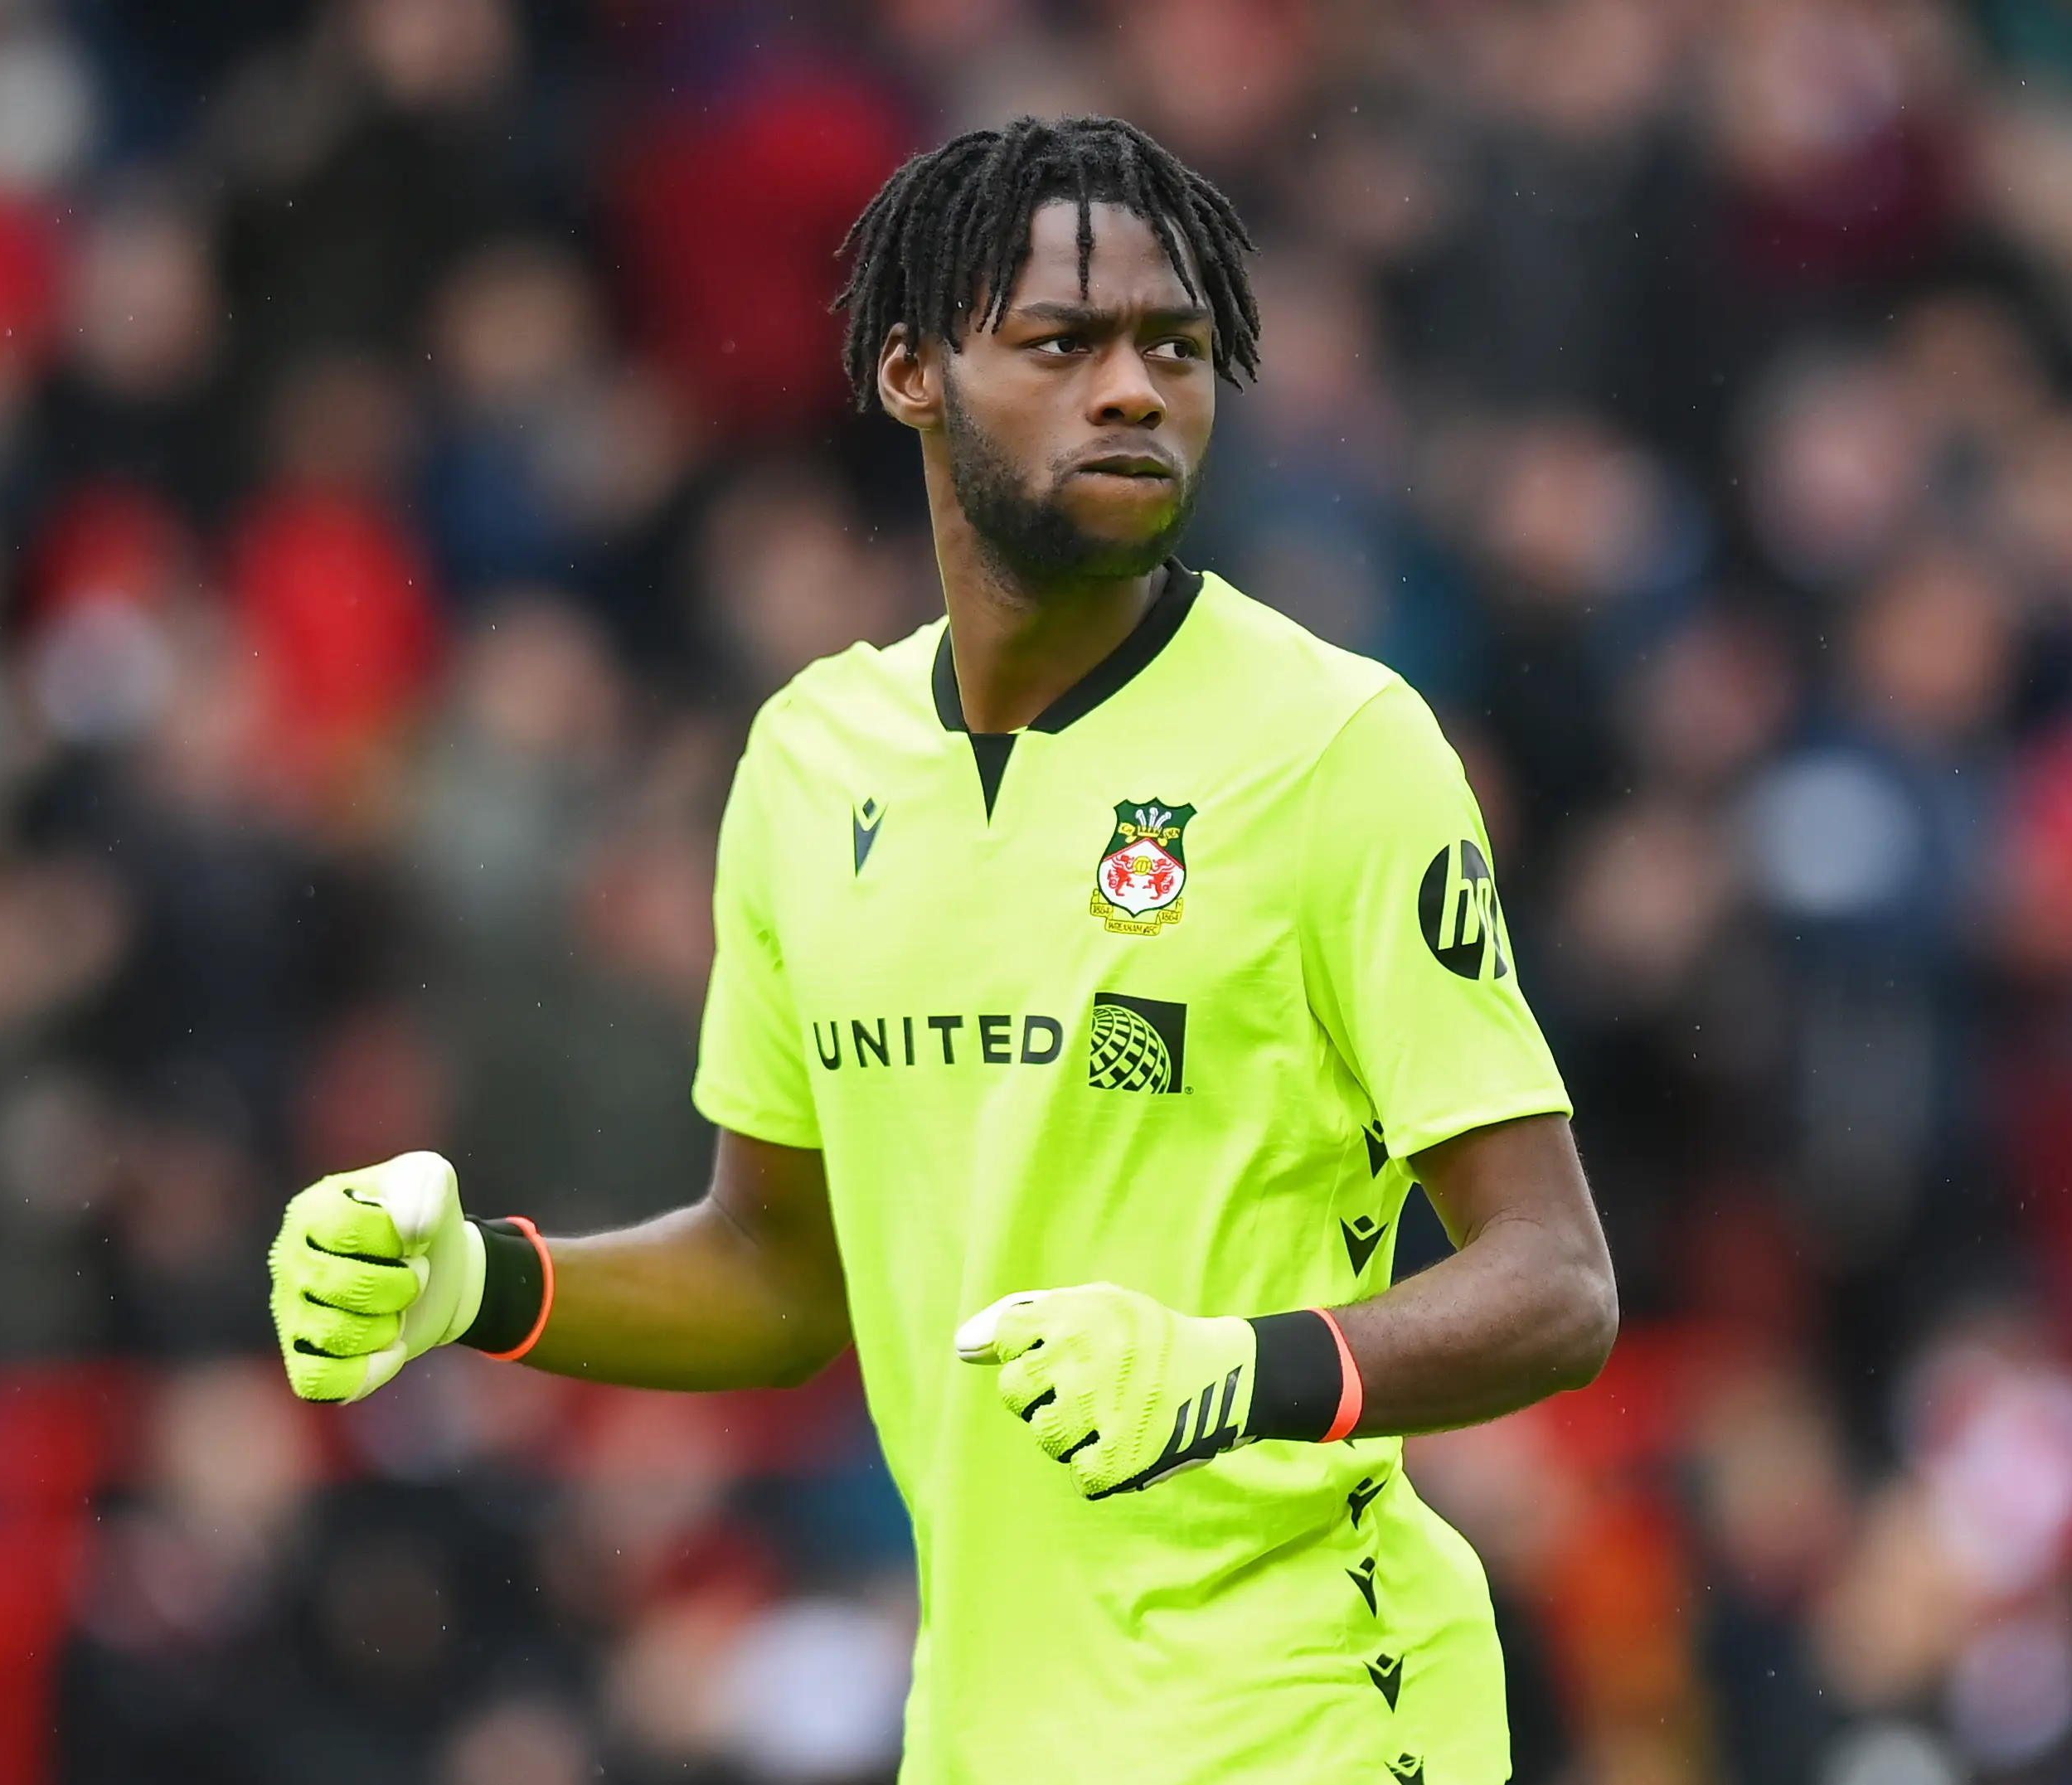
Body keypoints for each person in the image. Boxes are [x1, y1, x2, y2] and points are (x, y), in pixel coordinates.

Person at [265, 114, 1618, 1785]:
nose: (1132, 388)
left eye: (1174, 347)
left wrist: (1225, 1369)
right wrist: (473, 1282)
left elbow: (1556, 1278)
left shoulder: (1338, 744)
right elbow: (774, 1273)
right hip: (982, 1735)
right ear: (911, 371)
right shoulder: (806, 760)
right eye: (1061, 342)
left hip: (1318, 1718)